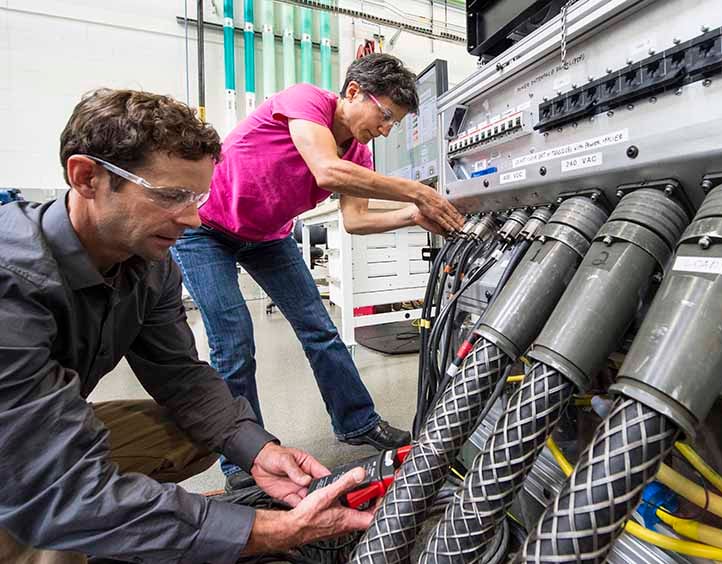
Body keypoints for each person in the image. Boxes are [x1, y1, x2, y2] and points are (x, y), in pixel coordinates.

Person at [0, 89, 375, 564]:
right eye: (171, 196)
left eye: (197, 196)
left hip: (25, 428)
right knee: (47, 536)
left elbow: (181, 377)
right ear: (87, 177)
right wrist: (268, 530)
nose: (194, 218)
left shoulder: (147, 264)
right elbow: (54, 485)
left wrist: (258, 451)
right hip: (14, 448)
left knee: (195, 431)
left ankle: (120, 522)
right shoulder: (11, 279)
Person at [171, 53, 465, 489]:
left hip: (268, 236)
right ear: (352, 92)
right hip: (205, 229)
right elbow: (327, 172)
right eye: (385, 116)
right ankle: (241, 460)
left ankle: (357, 421)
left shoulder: (360, 155)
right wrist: (418, 191)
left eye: (394, 124)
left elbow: (356, 221)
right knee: (233, 341)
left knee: (319, 329)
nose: (386, 129)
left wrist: (410, 215)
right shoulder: (306, 100)